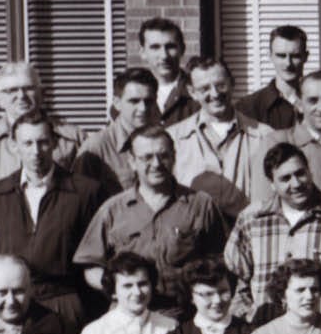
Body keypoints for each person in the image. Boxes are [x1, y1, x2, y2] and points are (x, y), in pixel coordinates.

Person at [0, 115, 114, 329]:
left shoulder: (86, 192)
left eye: (43, 142)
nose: (36, 151)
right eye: (28, 143)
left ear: (55, 143)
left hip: (65, 306)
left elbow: (97, 255)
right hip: (13, 307)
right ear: (14, 146)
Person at [74, 125, 232, 295]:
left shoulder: (200, 204)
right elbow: (91, 265)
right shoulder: (112, 209)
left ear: (174, 157)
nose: (156, 164)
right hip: (131, 307)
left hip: (182, 306)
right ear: (132, 162)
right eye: (147, 157)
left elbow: (221, 259)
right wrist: (119, 290)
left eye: (163, 156)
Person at [224, 142, 321, 321]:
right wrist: (248, 317)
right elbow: (236, 281)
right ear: (272, 184)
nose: (296, 184)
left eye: (300, 174)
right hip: (264, 326)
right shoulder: (251, 219)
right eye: (285, 178)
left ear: (310, 172)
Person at [0, 61, 82, 201]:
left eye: (28, 88)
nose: (21, 95)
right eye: (12, 90)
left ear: (42, 93)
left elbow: (88, 192)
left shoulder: (74, 139)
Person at [168, 57, 279, 218]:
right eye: (204, 88)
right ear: (192, 92)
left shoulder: (265, 136)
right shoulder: (173, 138)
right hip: (193, 231)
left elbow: (277, 193)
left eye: (221, 85)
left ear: (232, 83)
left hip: (249, 228)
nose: (215, 94)